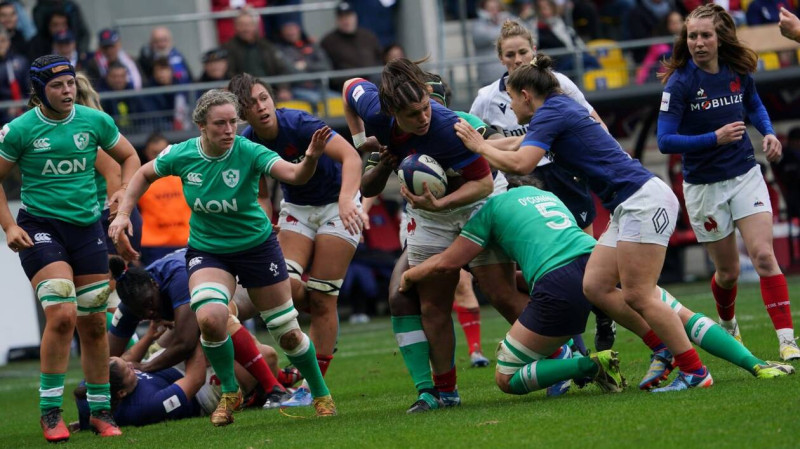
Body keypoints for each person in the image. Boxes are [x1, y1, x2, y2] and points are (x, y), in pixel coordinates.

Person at [455, 53, 714, 393]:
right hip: (628, 202)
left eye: (512, 99)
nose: (510, 107)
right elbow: (517, 143)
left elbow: (520, 163)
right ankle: (662, 346)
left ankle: (695, 372)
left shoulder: (550, 112)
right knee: (595, 286)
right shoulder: (556, 109)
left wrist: (477, 146)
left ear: (526, 96)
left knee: (640, 294)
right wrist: (480, 147)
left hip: (641, 200)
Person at [400, 177, 794, 397]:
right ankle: (756, 365)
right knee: (675, 312)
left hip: (561, 285)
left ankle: (589, 364)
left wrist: (411, 275)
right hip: (600, 260)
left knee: (506, 376)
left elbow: (450, 262)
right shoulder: (545, 195)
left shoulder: (489, 210)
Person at [108, 89, 336, 425]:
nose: (229, 129)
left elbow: (294, 175)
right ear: (201, 125)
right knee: (211, 318)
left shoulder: (249, 150)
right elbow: (143, 173)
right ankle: (230, 392)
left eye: (233, 122)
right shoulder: (182, 154)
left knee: (286, 332)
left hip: (257, 249)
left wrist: (312, 158)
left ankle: (320, 393)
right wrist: (124, 213)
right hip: (209, 251)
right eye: (220, 123)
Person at [343, 58, 519, 413]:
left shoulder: (452, 126)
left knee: (499, 291)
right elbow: (349, 86)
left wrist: (441, 203)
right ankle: (442, 392)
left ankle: (558, 351)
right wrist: (366, 144)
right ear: (392, 110)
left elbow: (484, 183)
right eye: (415, 112)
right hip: (430, 213)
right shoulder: (376, 112)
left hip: (476, 201)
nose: (425, 116)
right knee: (428, 303)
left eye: (428, 106)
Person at [0, 54, 140, 442]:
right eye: (57, 86)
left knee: (94, 322)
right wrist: (9, 226)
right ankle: (49, 412)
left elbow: (129, 157)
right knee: (61, 313)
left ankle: (100, 411)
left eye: (70, 84)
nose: (67, 91)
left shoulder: (94, 121)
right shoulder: (19, 129)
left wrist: (122, 196)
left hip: (86, 229)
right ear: (39, 91)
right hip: (40, 228)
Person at [657, 4, 800, 361]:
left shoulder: (737, 70)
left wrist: (768, 132)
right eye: (692, 36)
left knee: (765, 257)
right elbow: (664, 141)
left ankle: (787, 341)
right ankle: (727, 321)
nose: (699, 43)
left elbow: (752, 103)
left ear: (720, 38)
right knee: (727, 272)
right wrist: (713, 138)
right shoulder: (679, 83)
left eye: (706, 35)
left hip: (745, 175)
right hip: (704, 187)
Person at [468, 19, 615, 352]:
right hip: (522, 184)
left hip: (565, 175)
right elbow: (479, 139)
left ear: (534, 51)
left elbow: (593, 121)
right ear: (501, 58)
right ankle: (572, 347)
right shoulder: (486, 98)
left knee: (587, 262)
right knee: (542, 269)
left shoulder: (557, 83)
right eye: (510, 54)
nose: (518, 59)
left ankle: (604, 321)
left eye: (523, 51)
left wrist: (612, 159)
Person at [228, 72, 367, 407]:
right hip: (297, 209)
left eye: (263, 98)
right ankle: (324, 319)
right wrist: (264, 221)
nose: (260, 107)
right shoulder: (247, 142)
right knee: (283, 285)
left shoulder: (300, 123)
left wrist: (349, 198)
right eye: (251, 104)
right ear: (242, 113)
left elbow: (351, 156)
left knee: (323, 295)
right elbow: (261, 194)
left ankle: (310, 385)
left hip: (338, 204)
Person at [106, 250, 293, 408]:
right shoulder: (130, 304)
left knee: (215, 318)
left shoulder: (177, 278)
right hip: (192, 310)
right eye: (141, 313)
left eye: (150, 304)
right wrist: (95, 403)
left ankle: (273, 387)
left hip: (234, 282)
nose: (150, 313)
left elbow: (186, 342)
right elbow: (105, 362)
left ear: (156, 285)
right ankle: (276, 382)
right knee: (263, 354)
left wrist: (146, 367)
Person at [137, 133, 191, 265]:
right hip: (154, 246)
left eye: (162, 152)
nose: (158, 157)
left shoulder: (186, 176)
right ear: (146, 153)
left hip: (187, 241)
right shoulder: (140, 181)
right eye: (154, 153)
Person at [223, 9, 292, 101]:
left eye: (248, 25)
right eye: (241, 25)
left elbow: (281, 69)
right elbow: (228, 74)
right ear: (235, 27)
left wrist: (284, 89)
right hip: (242, 95)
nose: (245, 29)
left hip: (272, 91)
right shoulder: (228, 49)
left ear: (255, 26)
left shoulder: (267, 46)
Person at [321, 1, 383, 92]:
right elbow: (327, 71)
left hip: (374, 82)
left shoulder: (368, 36)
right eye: (342, 17)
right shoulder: (328, 41)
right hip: (348, 87)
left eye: (348, 16)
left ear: (355, 17)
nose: (346, 21)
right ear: (337, 20)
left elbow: (380, 59)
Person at [473, 0, 513, 86]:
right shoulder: (478, 24)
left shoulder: (509, 18)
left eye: (496, 8)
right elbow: (484, 36)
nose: (494, 12)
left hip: (508, 74)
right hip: (488, 77)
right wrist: (506, 29)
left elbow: (523, 30)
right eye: (490, 9)